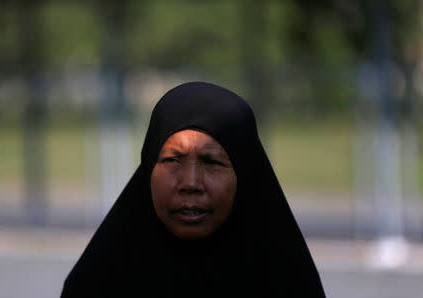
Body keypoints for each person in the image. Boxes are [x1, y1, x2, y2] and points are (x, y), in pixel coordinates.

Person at [61, 82, 326, 297]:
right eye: (172, 160)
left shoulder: (287, 282)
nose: (190, 183)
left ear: (246, 175)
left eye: (211, 162)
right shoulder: (99, 282)